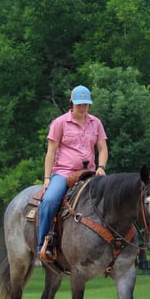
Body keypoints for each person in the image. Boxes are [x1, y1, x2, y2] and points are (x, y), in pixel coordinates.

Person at [37, 85, 108, 262]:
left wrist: (102, 166)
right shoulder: (60, 123)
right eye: (79, 104)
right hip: (64, 172)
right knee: (50, 200)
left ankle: (111, 244)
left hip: (90, 173)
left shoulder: (96, 123)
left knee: (112, 199)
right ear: (72, 104)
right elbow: (51, 152)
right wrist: (47, 178)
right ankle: (43, 244)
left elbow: (102, 148)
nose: (83, 108)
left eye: (86, 104)